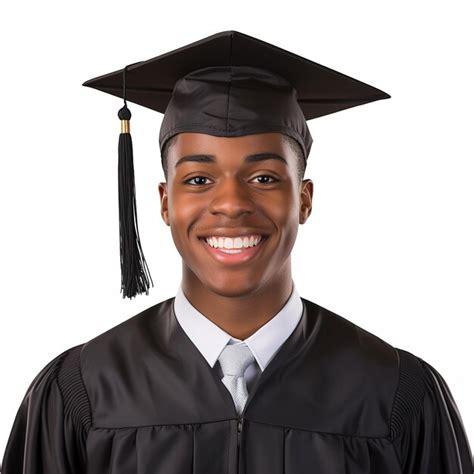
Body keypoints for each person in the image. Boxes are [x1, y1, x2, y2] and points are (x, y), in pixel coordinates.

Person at [1, 30, 472, 474]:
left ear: (304, 199)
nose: (230, 203)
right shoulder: (83, 391)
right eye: (198, 180)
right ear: (165, 202)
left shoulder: (393, 394)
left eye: (264, 178)